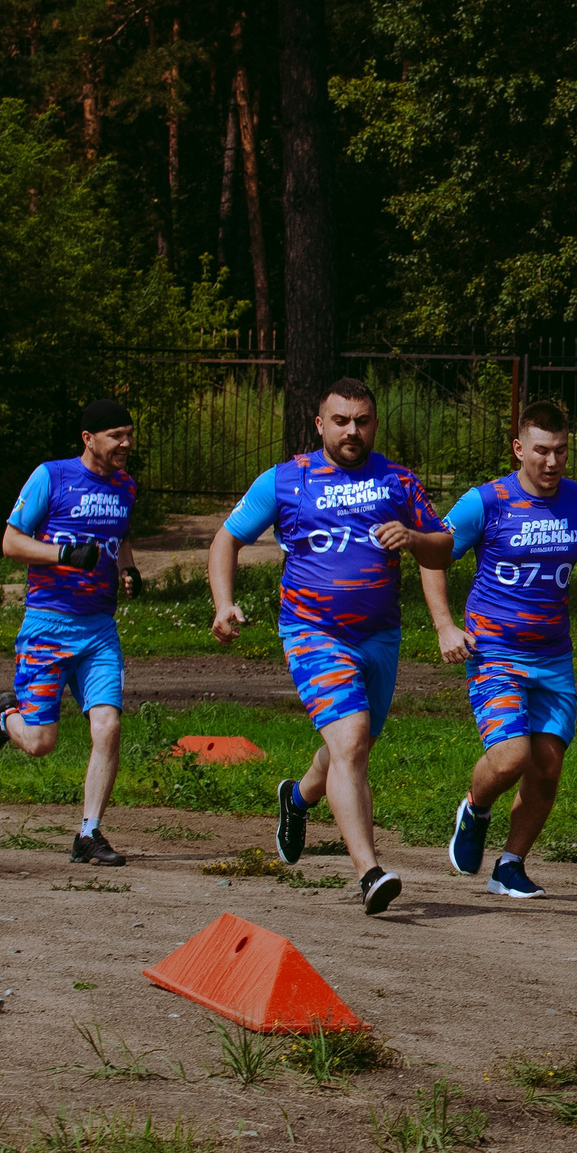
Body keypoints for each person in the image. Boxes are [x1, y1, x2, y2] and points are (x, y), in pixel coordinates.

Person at [209, 377, 451, 917]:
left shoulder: (397, 480)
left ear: (375, 425)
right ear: (320, 424)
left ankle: (296, 799)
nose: (351, 431)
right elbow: (228, 538)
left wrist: (413, 539)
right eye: (340, 421)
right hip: (313, 632)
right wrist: (223, 604)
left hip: (381, 635)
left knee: (352, 749)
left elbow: (443, 547)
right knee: (352, 740)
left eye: (361, 421)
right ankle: (369, 872)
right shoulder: (286, 480)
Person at [423, 400, 577, 897]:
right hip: (493, 651)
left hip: (553, 657)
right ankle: (475, 809)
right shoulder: (486, 502)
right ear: (518, 448)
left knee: (547, 765)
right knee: (511, 756)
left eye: (561, 451)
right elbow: (432, 555)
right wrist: (445, 626)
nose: (552, 462)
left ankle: (510, 866)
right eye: (541, 451)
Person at [0, 399, 140, 867]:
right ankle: (5, 718)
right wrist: (64, 554)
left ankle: (89, 833)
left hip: (99, 630)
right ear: (88, 439)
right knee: (40, 743)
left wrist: (127, 569)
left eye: (129, 434)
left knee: (108, 726)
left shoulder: (125, 486)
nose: (126, 444)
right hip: (48, 625)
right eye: (116, 436)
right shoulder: (52, 476)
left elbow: (121, 536)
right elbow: (10, 541)